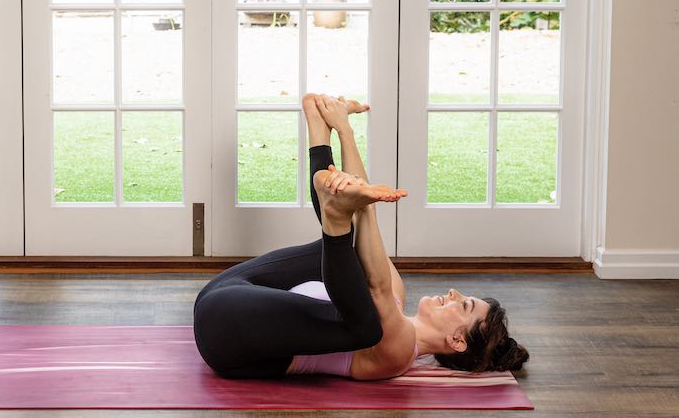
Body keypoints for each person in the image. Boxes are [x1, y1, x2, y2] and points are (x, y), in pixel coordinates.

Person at [193, 93, 528, 380]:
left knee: (368, 325)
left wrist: (348, 151)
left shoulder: (398, 354)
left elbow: (377, 286)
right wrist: (342, 128)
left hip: (225, 336)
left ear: (458, 341)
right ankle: (317, 129)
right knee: (353, 247)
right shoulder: (397, 293)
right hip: (227, 292)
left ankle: (334, 216)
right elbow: (368, 209)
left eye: (464, 304)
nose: (454, 292)